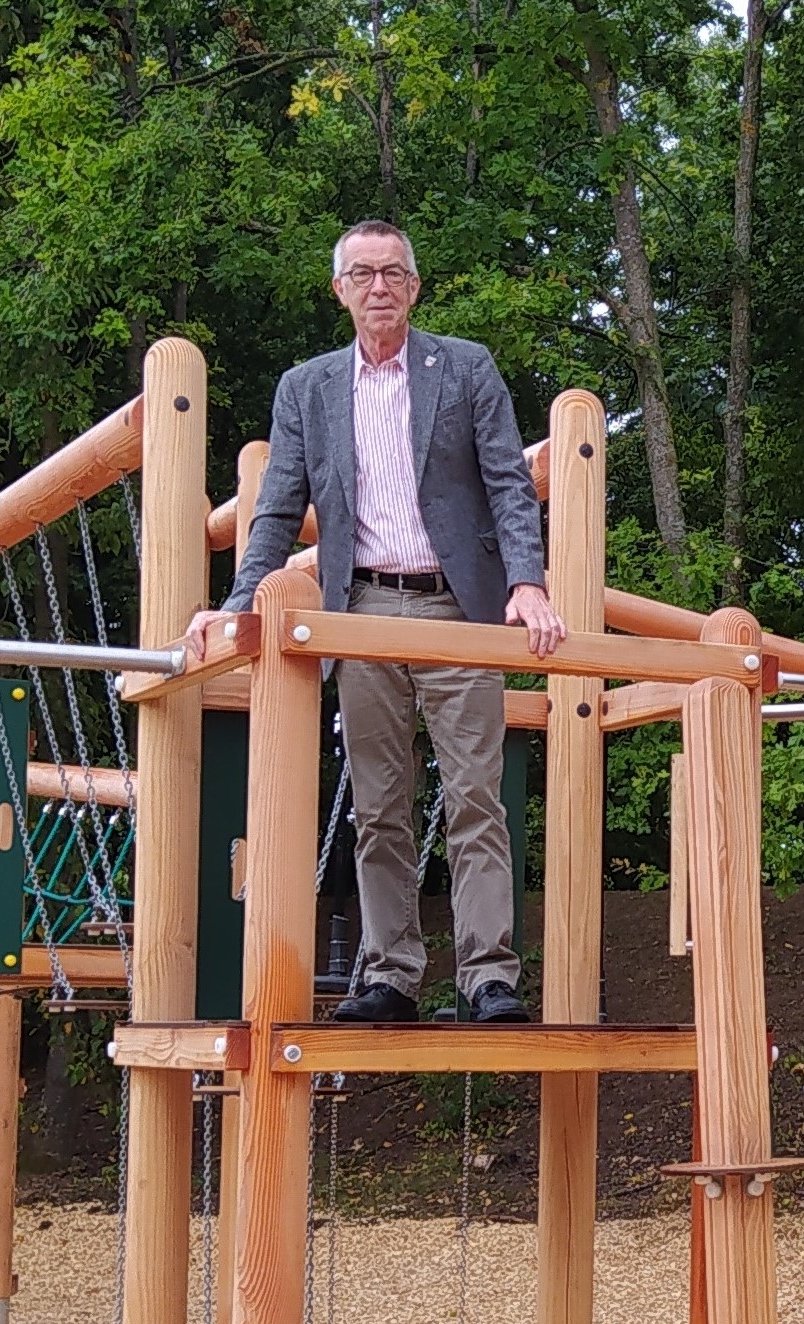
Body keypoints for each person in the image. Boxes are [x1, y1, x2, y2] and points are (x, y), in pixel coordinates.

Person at [198, 219, 569, 1024]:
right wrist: (236, 607)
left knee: (476, 795)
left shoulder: (466, 368)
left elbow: (509, 485)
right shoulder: (309, 388)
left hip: (455, 605)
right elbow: (276, 508)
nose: (379, 288)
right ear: (340, 290)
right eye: (362, 274)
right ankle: (392, 974)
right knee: (378, 802)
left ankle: (489, 978)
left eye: (393, 273)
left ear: (414, 287)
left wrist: (528, 584)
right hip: (357, 607)